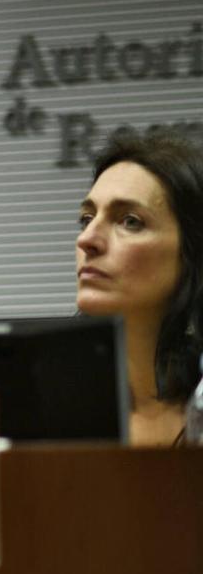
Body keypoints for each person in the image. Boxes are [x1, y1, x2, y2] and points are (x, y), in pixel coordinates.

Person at [76, 128, 203, 446]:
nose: (87, 239)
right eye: (87, 218)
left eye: (129, 221)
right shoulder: (41, 403)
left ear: (191, 254)